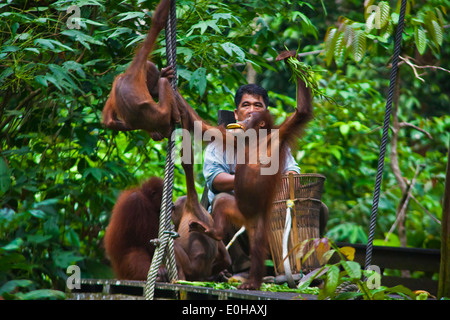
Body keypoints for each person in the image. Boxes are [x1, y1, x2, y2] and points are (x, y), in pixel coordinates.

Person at [202, 83, 300, 275]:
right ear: (236, 113)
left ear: (265, 115)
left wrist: (274, 181)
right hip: (236, 212)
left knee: (319, 208)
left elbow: (293, 171)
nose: (252, 111)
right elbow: (215, 180)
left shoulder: (274, 141)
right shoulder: (222, 140)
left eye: (258, 106)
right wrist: (250, 179)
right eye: (246, 105)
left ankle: (297, 266)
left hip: (270, 213)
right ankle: (242, 267)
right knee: (222, 201)